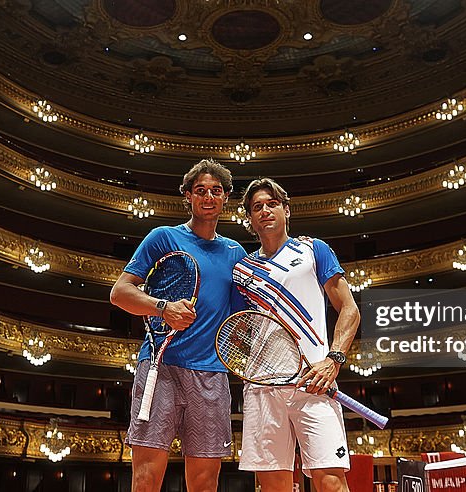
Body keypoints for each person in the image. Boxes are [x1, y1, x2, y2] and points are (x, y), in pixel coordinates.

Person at [110, 158, 246, 492]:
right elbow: (119, 293)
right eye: (200, 191)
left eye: (216, 191)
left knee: (205, 482)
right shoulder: (163, 238)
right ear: (187, 195)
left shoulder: (236, 252)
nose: (208, 197)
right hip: (160, 368)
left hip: (212, 376)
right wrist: (163, 308)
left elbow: (239, 322)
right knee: (145, 479)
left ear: (226, 197)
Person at [233, 177, 359, 492]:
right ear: (249, 219)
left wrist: (334, 360)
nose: (264, 211)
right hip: (262, 389)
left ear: (287, 210)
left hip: (315, 383)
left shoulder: (314, 250)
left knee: (330, 481)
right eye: (256, 207)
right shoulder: (242, 271)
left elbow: (349, 309)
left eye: (272, 204)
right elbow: (237, 331)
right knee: (273, 486)